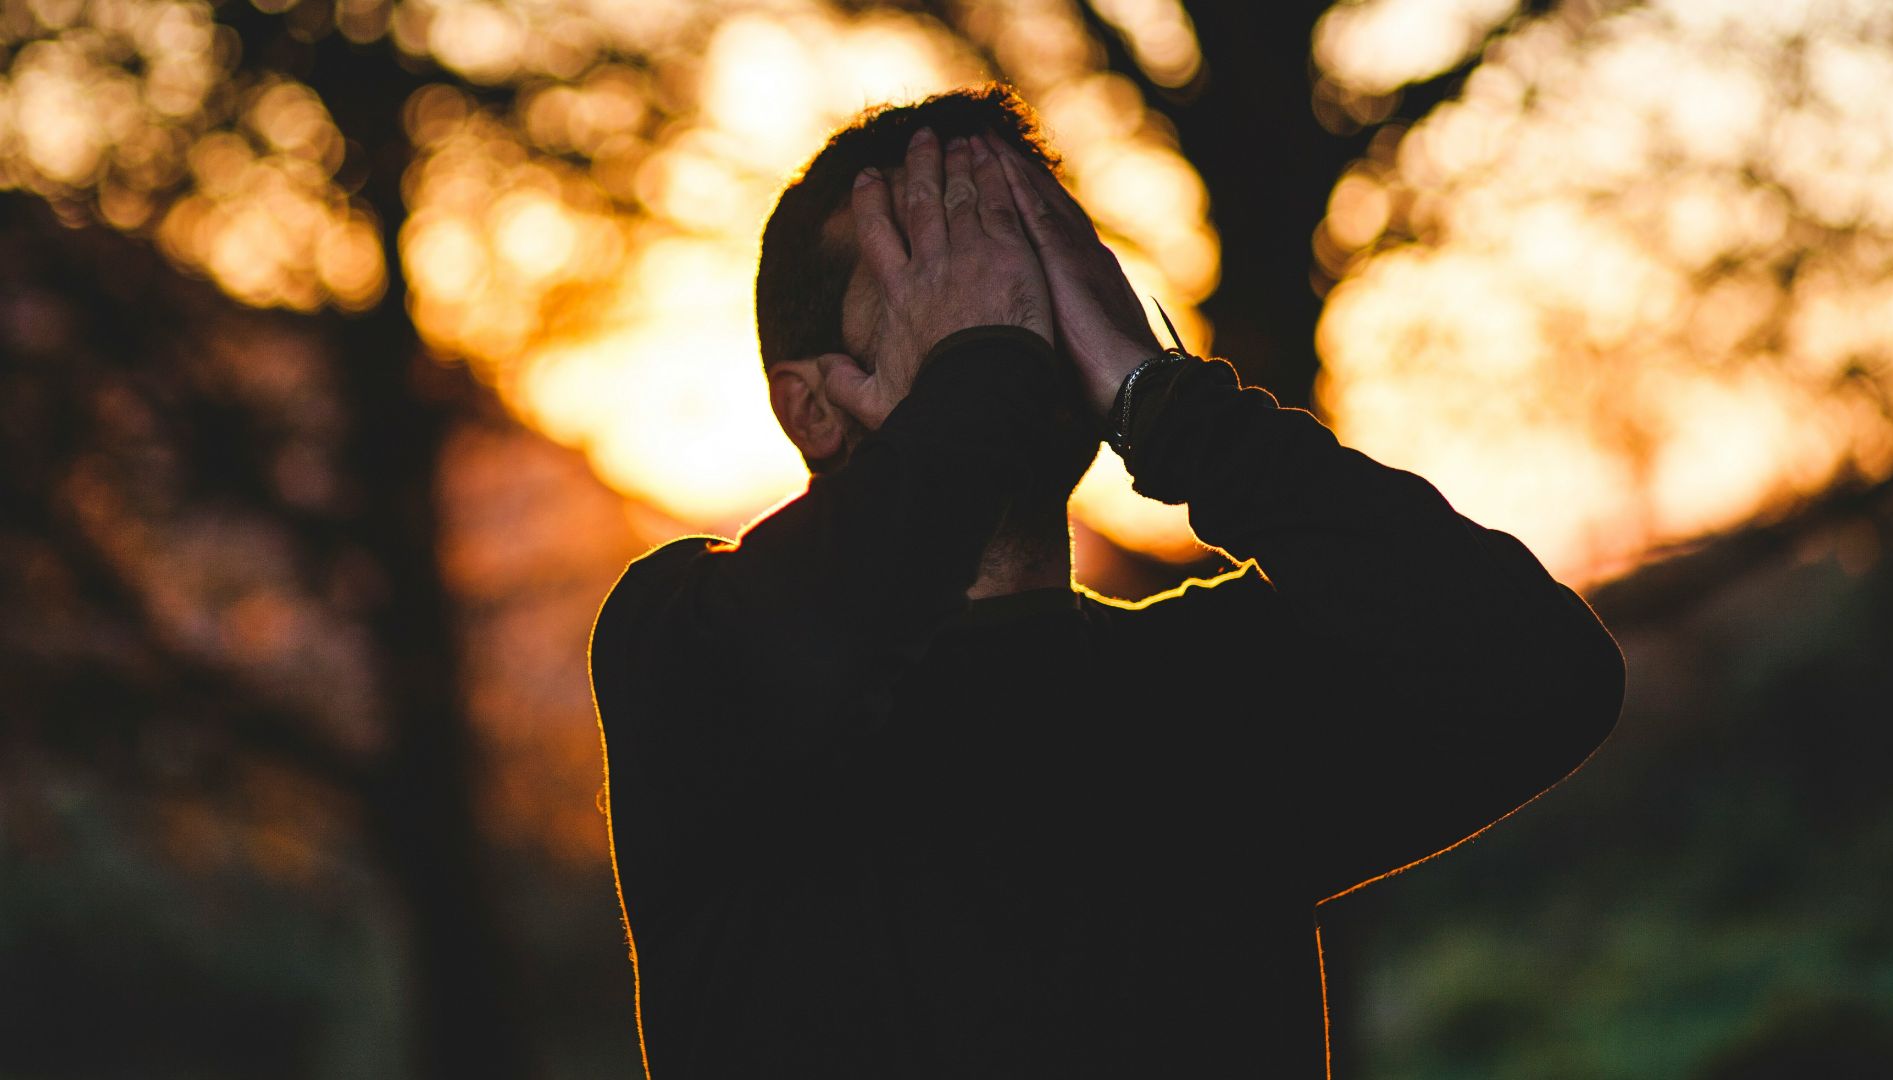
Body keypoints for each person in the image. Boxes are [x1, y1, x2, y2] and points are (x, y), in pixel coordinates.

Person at [589, 84, 1625, 1079]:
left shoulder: (1219, 689)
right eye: (943, 272)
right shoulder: (684, 651)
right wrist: (982, 368)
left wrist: (1163, 399)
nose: (1010, 308)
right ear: (811, 408)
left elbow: (1545, 674)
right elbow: (817, 645)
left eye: (1036, 262)